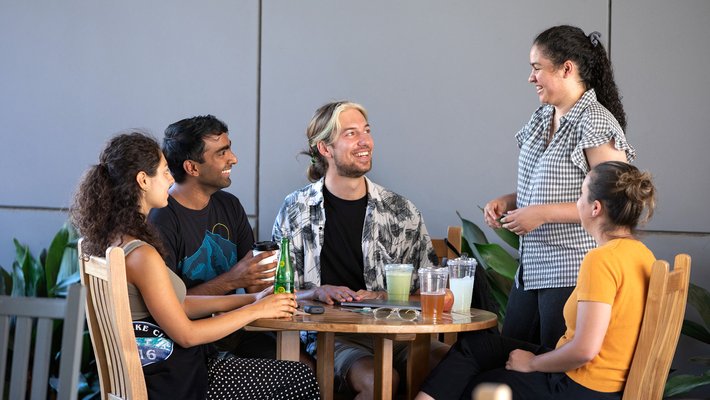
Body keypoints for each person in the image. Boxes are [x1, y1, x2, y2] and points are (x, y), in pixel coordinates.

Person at [71, 132, 320, 400]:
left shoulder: (117, 242)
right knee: (299, 378)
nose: (171, 178)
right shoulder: (142, 255)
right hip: (177, 382)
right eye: (165, 171)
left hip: (162, 374)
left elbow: (177, 306)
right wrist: (255, 311)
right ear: (143, 180)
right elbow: (187, 334)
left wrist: (252, 300)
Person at [417, 161, 657, 400]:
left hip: (581, 385)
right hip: (599, 382)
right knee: (478, 346)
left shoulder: (601, 260)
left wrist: (533, 363)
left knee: (479, 386)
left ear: (595, 208)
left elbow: (585, 350)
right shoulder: (643, 254)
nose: (577, 202)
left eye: (581, 194)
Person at [272, 100, 443, 399]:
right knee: (380, 380)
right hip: (332, 336)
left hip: (398, 332)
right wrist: (316, 291)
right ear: (325, 149)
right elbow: (274, 294)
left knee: (454, 364)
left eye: (366, 131)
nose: (365, 141)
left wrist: (384, 297)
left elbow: (431, 293)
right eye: (351, 133)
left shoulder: (401, 210)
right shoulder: (295, 210)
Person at [483, 25, 636, 348]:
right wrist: (511, 201)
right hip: (533, 269)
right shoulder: (542, 117)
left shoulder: (594, 122)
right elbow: (550, 184)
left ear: (567, 68)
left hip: (572, 270)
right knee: (509, 362)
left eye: (537, 68)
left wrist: (543, 213)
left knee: (547, 373)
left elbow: (615, 202)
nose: (530, 77)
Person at [147, 115, 282, 360]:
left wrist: (309, 292)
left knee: (304, 368)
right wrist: (230, 281)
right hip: (190, 349)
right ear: (192, 167)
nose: (234, 158)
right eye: (222, 153)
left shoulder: (230, 206)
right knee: (296, 377)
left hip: (237, 332)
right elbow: (169, 307)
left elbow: (255, 286)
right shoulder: (162, 219)